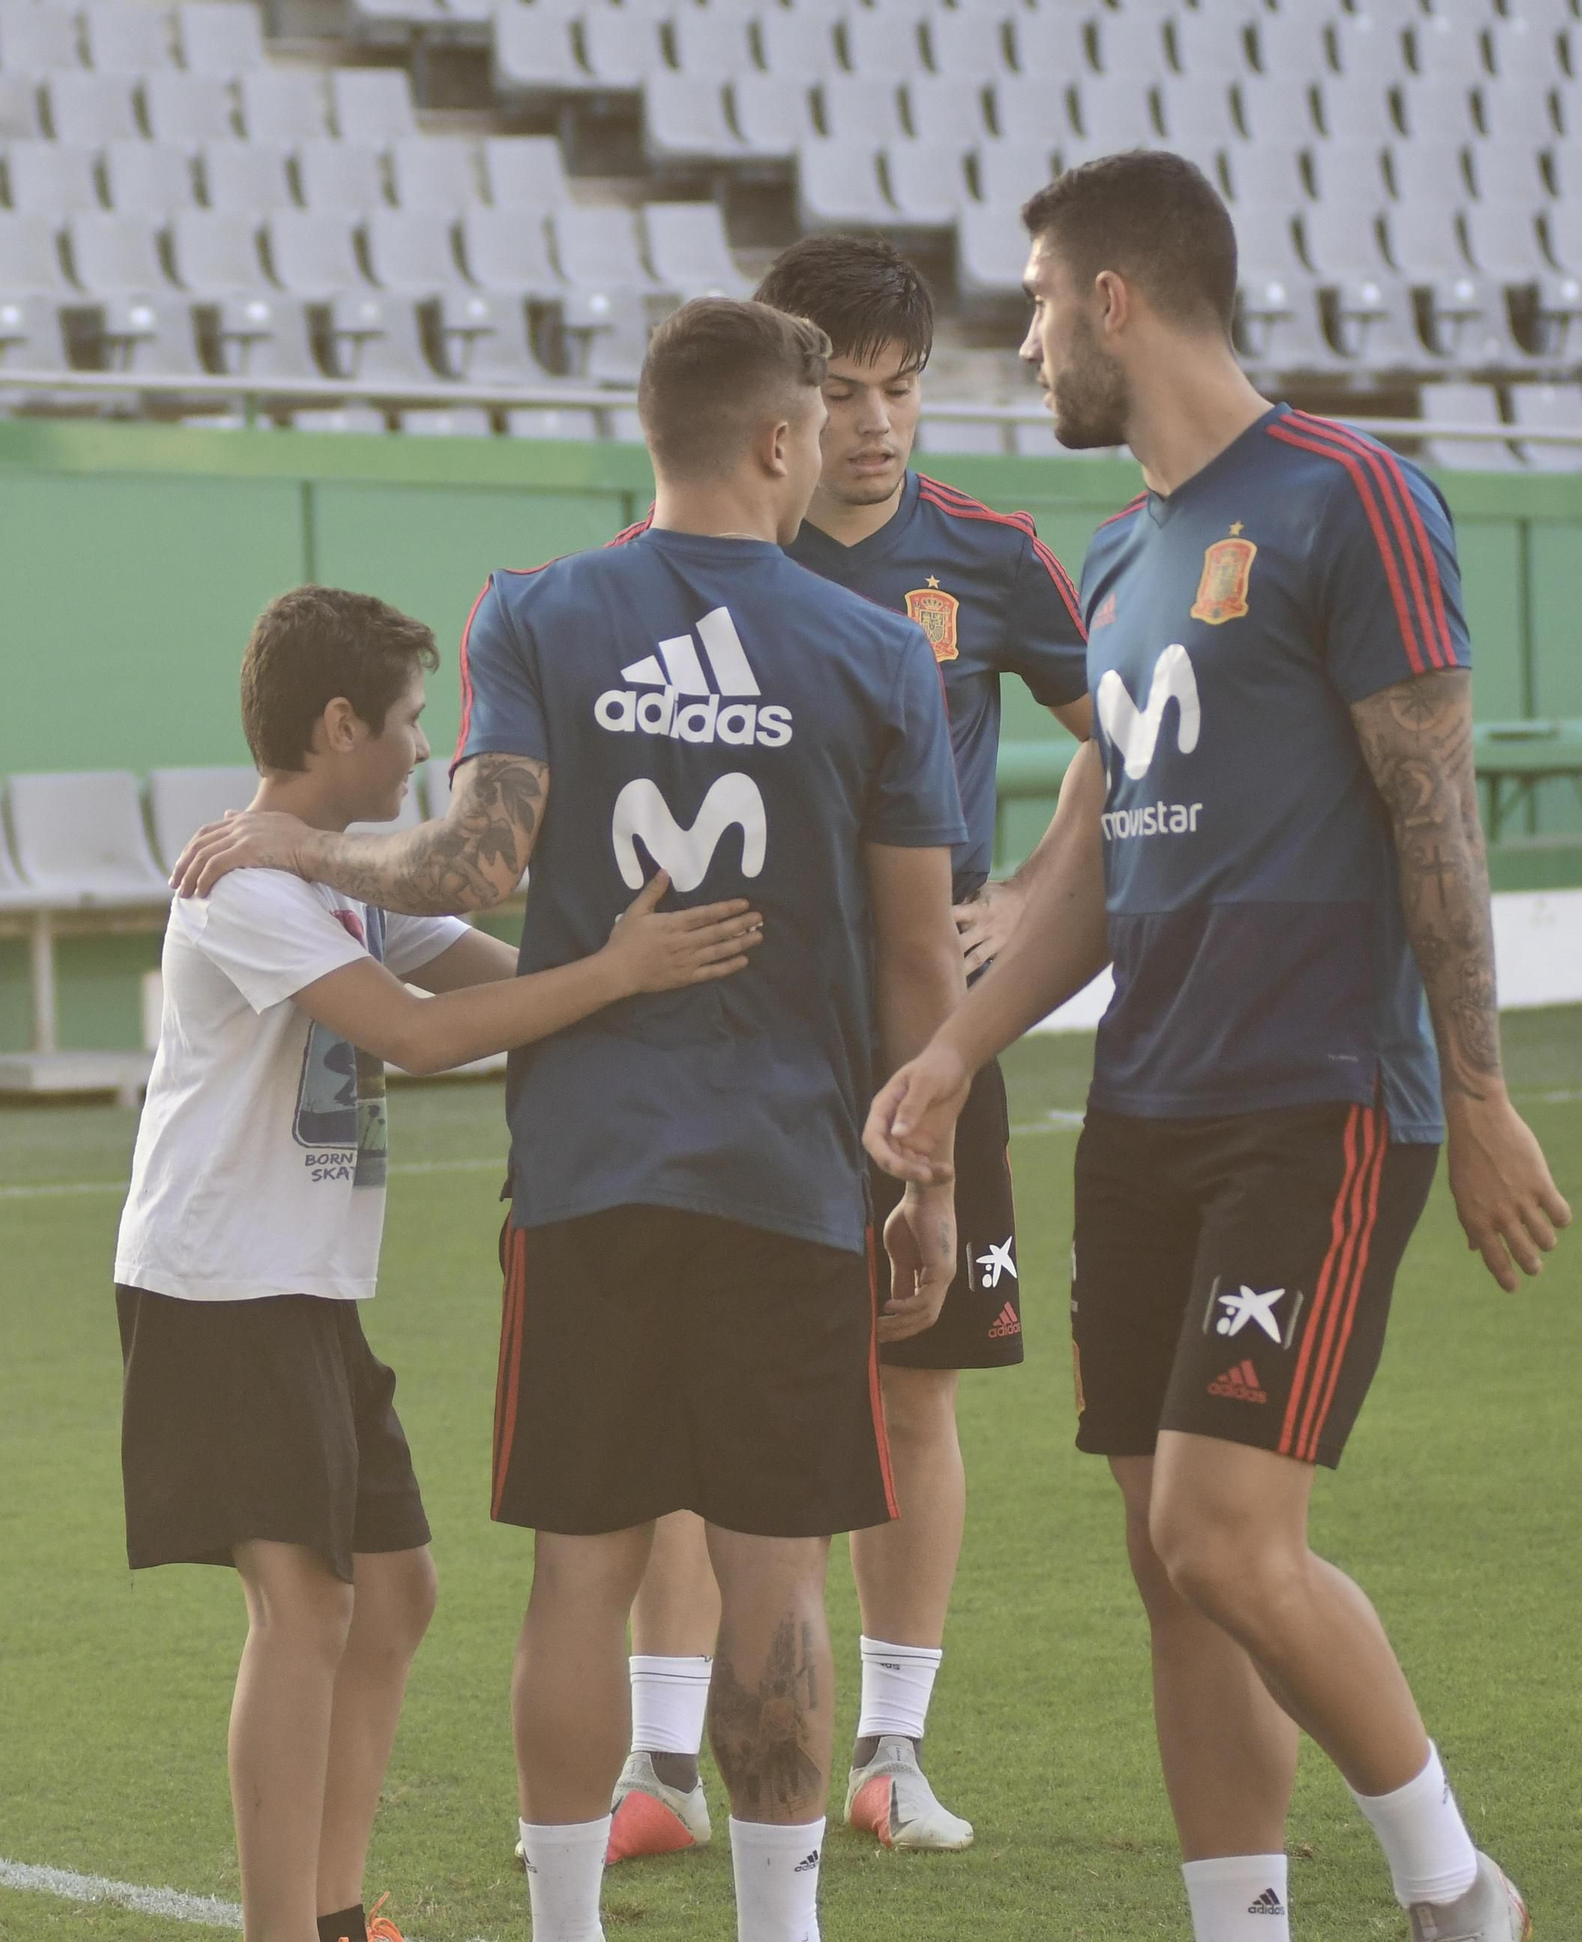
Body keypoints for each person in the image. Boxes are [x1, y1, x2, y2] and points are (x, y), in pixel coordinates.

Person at [172, 298, 968, 1942]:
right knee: (774, 1573)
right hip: (791, 1180)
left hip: (591, 1178)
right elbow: (912, 951)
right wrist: (927, 1173)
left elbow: (472, 866)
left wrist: (300, 846)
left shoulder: (537, 610)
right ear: (772, 441)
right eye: (817, 423)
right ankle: (780, 1925)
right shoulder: (880, 651)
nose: (828, 447)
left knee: (580, 1571)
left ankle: (562, 1926)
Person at [864, 152, 1570, 1942]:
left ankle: (1456, 1892)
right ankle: (1239, 1919)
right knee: (1169, 1569)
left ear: (1115, 298)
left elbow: (1436, 815)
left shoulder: (1352, 496)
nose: (1021, 344)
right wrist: (956, 1052)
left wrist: (1475, 1095)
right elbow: (1098, 863)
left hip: (1316, 1102)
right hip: (1143, 1108)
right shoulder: (1117, 552)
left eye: (1033, 301)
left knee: (1224, 1534)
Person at [132, 585, 758, 1942]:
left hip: (302, 1291)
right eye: (412, 722)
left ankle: (340, 1911)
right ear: (340, 721)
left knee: (395, 1591)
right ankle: (282, 1928)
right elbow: (421, 1036)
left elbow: (509, 970)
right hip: (219, 1288)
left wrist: (628, 968)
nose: (425, 750)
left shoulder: (337, 874)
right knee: (304, 1607)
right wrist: (622, 972)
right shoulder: (247, 883)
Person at [605, 234, 1101, 1863]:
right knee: (696, 1402)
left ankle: (892, 1745)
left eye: (905, 390)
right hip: (732, 1032)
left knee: (915, 1386)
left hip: (921, 1033)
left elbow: (1128, 728)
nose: (877, 425)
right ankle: (663, 1767)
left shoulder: (995, 556)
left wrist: (1025, 895)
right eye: (848, 390)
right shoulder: (694, 553)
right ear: (785, 396)